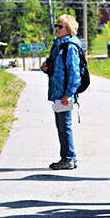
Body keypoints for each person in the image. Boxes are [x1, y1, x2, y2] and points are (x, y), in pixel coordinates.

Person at [42, 14, 82, 170]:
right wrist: (45, 67)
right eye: (56, 26)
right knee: (61, 126)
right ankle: (68, 156)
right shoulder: (58, 45)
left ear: (69, 29)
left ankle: (68, 158)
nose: (56, 29)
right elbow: (53, 67)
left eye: (60, 26)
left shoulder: (70, 47)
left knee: (64, 126)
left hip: (64, 95)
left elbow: (74, 74)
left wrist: (68, 93)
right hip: (57, 93)